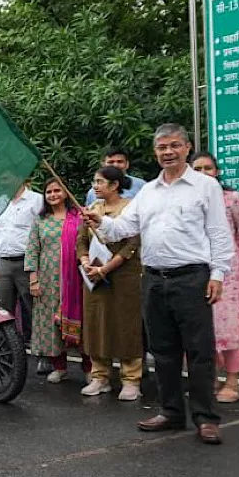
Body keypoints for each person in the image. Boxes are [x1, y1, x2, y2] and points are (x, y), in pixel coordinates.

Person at [84, 123, 235, 445]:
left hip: (192, 277)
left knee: (199, 352)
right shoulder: (148, 191)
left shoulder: (205, 186)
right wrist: (101, 222)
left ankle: (206, 418)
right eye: (162, 147)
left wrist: (219, 274)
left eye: (174, 146)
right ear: (155, 153)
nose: (168, 152)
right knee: (162, 352)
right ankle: (171, 411)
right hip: (153, 279)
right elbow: (122, 229)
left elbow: (220, 234)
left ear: (187, 147)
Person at [192, 152, 239, 403]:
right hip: (195, 269)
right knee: (200, 327)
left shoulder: (231, 199)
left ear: (216, 172)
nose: (203, 173)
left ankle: (232, 381)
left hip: (227, 272)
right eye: (197, 169)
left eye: (208, 168)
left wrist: (235, 255)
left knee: (227, 327)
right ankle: (210, 379)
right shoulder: (186, 200)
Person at [77, 166, 144, 400]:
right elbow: (81, 241)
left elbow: (131, 244)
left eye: (100, 182)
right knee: (97, 324)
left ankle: (131, 379)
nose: (95, 186)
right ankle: (100, 376)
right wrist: (86, 262)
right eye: (94, 181)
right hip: (94, 276)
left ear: (115, 185)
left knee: (126, 324)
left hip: (124, 274)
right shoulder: (92, 209)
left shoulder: (130, 207)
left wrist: (106, 268)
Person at [26, 176, 90, 383]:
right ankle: (59, 366)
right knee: (51, 325)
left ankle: (89, 368)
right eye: (49, 192)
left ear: (65, 193)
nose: (53, 195)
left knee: (82, 322)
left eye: (57, 191)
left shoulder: (78, 217)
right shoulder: (40, 221)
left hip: (75, 280)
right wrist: (33, 280)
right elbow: (32, 250)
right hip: (47, 280)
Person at [0, 179, 44, 353]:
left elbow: (44, 229)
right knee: (3, 310)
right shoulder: (0, 203)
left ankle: (43, 352)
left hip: (28, 261)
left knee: (35, 307)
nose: (5, 182)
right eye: (2, 180)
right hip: (4, 262)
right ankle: (6, 352)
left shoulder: (37, 199)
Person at [83, 147, 148, 205]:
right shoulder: (93, 192)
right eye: (111, 162)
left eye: (120, 162)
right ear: (103, 165)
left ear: (127, 164)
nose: (115, 165)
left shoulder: (141, 186)